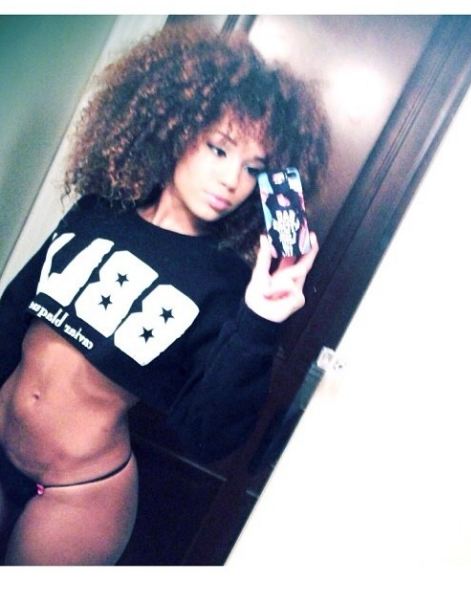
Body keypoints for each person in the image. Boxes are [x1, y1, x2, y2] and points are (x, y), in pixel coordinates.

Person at [0, 22, 330, 565]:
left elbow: (209, 435)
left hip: (76, 496)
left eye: (254, 169)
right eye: (218, 149)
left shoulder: (229, 286)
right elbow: (14, 315)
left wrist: (260, 318)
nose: (232, 181)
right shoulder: (98, 212)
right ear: (176, 128)